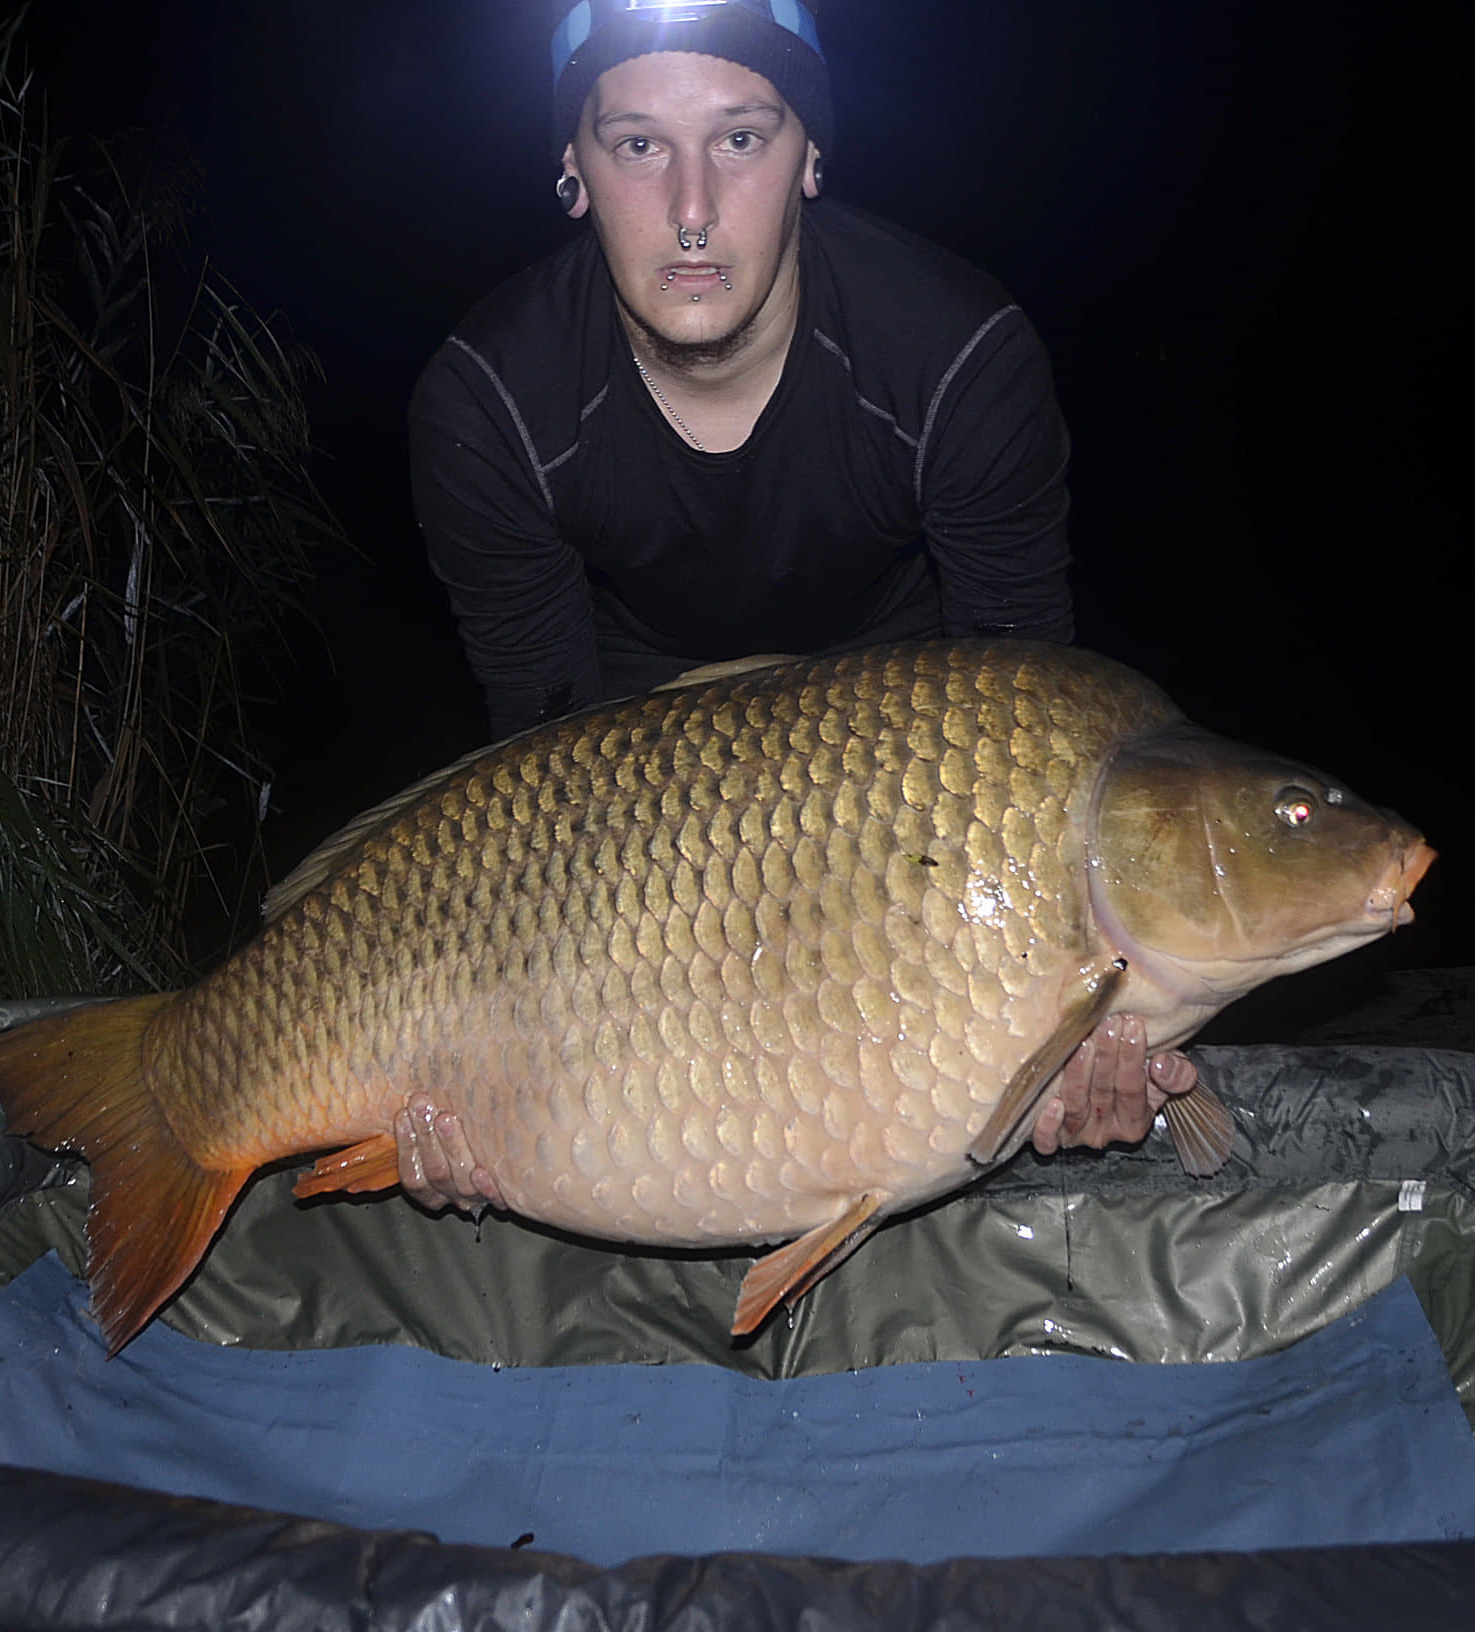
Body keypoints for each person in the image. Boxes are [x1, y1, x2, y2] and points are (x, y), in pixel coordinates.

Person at [390, 0, 1203, 1211]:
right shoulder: (488, 406)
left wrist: (1068, 1024)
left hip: (912, 767)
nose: (691, 209)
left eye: (740, 137)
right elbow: (535, 761)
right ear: (570, 169)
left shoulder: (955, 357)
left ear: (812, 159)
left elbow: (1030, 719)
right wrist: (492, 1080)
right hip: (619, 759)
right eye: (635, 145)